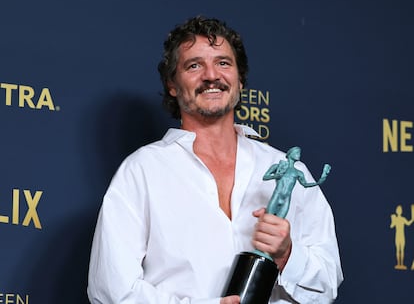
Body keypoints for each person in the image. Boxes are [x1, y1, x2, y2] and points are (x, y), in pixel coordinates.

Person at [87, 16, 343, 304]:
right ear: (172, 84)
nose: (211, 75)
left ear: (240, 79)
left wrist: (288, 255)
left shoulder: (288, 170)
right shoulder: (142, 171)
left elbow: (328, 284)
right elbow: (110, 291)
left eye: (223, 63)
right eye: (194, 65)